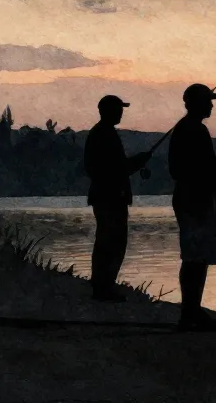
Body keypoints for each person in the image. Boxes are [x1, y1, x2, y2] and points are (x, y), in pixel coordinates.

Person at [168, 83, 216, 331]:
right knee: (195, 258)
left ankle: (191, 310)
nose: (211, 105)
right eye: (208, 101)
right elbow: (198, 170)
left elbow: (202, 167)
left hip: (194, 198)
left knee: (196, 257)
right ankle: (190, 312)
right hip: (195, 200)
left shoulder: (189, 128)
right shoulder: (194, 130)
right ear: (195, 103)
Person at [83, 95, 149, 301]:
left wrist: (135, 162)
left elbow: (115, 168)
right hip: (109, 198)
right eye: (118, 109)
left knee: (109, 242)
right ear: (107, 111)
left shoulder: (103, 133)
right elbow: (114, 170)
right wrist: (137, 161)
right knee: (111, 243)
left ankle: (103, 286)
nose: (121, 113)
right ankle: (103, 288)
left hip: (108, 197)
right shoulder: (103, 134)